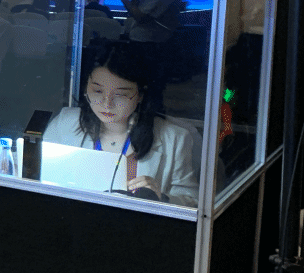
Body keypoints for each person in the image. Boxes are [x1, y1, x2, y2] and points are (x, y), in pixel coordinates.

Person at [43, 40, 198, 206]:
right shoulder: (65, 123)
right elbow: (41, 177)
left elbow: (193, 202)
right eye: (97, 91)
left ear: (141, 95)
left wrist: (162, 197)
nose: (107, 103)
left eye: (121, 94)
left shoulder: (175, 138)